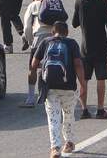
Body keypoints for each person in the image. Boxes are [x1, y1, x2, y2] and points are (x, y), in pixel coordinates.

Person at [31, 21, 84, 158]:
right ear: (66, 32)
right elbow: (78, 64)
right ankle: (69, 143)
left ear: (52, 31)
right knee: (68, 114)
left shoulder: (45, 42)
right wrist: (83, 84)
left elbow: (34, 63)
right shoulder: (71, 43)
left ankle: (55, 148)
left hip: (49, 86)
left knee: (53, 118)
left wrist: (33, 76)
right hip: (68, 86)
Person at [72, 0, 107, 119]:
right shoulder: (102, 3)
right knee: (101, 79)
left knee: (84, 80)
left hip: (85, 46)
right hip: (100, 45)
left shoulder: (79, 2)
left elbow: (74, 23)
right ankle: (100, 109)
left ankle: (84, 109)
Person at [20, 0, 67, 108]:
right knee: (56, 64)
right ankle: (57, 96)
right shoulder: (55, 5)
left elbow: (27, 27)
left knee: (33, 67)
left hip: (39, 38)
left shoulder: (33, 5)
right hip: (56, 37)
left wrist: (30, 42)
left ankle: (30, 98)